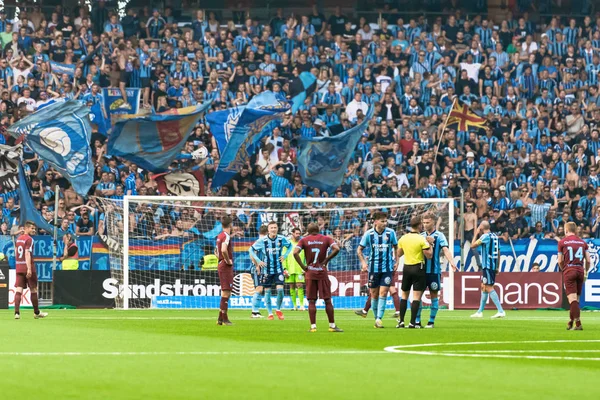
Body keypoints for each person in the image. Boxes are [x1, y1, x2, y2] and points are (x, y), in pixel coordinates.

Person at [293, 223, 343, 332]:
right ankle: (332, 326)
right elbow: (337, 248)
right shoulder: (326, 239)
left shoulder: (304, 240)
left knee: (311, 300)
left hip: (310, 273)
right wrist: (326, 260)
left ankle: (313, 327)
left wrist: (303, 266)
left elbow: (295, 252)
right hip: (322, 272)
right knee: (327, 300)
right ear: (319, 230)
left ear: (308, 231)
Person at [357, 211, 399, 328]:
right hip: (373, 269)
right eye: (382, 221)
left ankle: (379, 319)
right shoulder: (369, 234)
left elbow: (396, 247)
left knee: (384, 292)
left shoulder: (391, 233)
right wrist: (363, 263)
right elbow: (359, 250)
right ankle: (376, 319)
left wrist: (397, 261)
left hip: (387, 268)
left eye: (386, 221)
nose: (385, 223)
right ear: (375, 222)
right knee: (374, 294)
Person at [416, 213, 457, 328]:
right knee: (417, 296)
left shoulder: (440, 236)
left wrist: (452, 262)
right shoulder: (420, 236)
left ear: (433, 222)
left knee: (434, 295)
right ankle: (418, 321)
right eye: (423, 222)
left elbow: (445, 250)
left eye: (427, 222)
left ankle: (431, 321)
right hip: (421, 272)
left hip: (434, 272)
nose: (425, 225)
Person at [249, 221, 292, 320]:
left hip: (278, 269)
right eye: (271, 227)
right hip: (265, 270)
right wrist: (258, 262)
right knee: (265, 291)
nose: (273, 229)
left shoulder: (281, 239)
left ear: (277, 228)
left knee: (280, 289)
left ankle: (278, 309)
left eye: (275, 227)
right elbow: (251, 250)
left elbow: (290, 246)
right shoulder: (262, 241)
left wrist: (285, 255)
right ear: (268, 230)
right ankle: (268, 313)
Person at [395, 216, 432, 329]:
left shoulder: (403, 238)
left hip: (406, 268)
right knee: (416, 297)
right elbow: (429, 255)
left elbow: (399, 254)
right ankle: (412, 323)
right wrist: (431, 244)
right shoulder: (421, 239)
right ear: (419, 225)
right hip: (418, 268)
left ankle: (401, 321)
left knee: (404, 295)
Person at [557, 221, 590, 330]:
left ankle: (578, 323)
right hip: (580, 270)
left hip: (569, 270)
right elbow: (588, 260)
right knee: (576, 299)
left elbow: (559, 260)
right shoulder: (583, 242)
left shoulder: (562, 242)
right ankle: (571, 321)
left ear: (566, 230)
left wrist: (564, 269)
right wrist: (586, 271)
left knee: (572, 299)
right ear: (575, 230)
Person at [470, 221, 505, 319]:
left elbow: (472, 246)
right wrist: (498, 266)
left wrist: (476, 233)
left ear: (481, 227)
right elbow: (498, 252)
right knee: (483, 287)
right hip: (492, 265)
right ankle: (480, 312)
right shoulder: (495, 236)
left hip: (488, 266)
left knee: (489, 287)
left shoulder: (485, 237)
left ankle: (501, 311)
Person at [14, 221, 48, 320]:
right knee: (33, 289)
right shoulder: (29, 239)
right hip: (28, 267)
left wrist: (18, 265)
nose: (34, 230)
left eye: (34, 229)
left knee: (19, 289)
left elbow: (16, 252)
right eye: (32, 228)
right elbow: (27, 254)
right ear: (26, 228)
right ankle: (36, 312)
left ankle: (17, 313)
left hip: (19, 267)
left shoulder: (19, 239)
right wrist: (29, 268)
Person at [216, 216, 234, 326]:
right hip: (225, 265)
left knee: (226, 292)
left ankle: (220, 319)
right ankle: (225, 318)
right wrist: (228, 261)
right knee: (226, 292)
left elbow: (216, 252)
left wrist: (221, 259)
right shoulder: (226, 236)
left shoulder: (219, 236)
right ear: (230, 225)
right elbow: (223, 250)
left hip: (220, 264)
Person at [284, 227, 305, 311]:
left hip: (300, 268)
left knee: (300, 285)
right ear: (292, 234)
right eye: (296, 233)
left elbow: (306, 256)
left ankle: (302, 305)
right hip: (290, 268)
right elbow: (283, 257)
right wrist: (285, 268)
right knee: (291, 286)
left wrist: (305, 267)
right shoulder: (287, 244)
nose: (298, 235)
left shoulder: (302, 244)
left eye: (299, 234)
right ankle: (294, 305)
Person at [249, 225, 268, 318]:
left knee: (260, 289)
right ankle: (254, 312)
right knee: (259, 288)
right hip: (257, 268)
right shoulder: (260, 242)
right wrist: (257, 266)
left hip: (262, 268)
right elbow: (251, 254)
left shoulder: (262, 241)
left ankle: (256, 311)